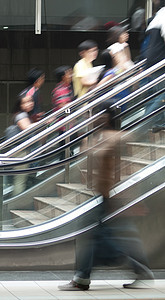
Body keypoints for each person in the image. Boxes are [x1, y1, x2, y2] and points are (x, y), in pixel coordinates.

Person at [58, 101, 154, 291]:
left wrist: (91, 146)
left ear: (108, 117)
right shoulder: (96, 137)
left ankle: (82, 277)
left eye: (98, 115)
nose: (94, 119)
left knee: (98, 236)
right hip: (101, 196)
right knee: (117, 236)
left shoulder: (114, 137)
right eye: (92, 115)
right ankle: (140, 270)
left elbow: (118, 154)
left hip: (113, 196)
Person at [143, 1, 165, 131]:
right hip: (161, 60)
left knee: (159, 94)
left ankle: (158, 123)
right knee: (162, 95)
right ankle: (142, 126)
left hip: (153, 60)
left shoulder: (157, 16)